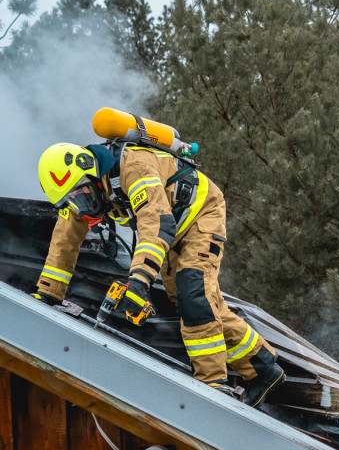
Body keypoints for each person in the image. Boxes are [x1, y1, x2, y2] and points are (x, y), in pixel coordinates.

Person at [34, 140, 284, 407]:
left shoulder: (134, 167)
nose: (81, 205)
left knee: (194, 293)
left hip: (200, 215)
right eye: (72, 200)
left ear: (90, 170)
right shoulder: (78, 192)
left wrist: (139, 281)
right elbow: (64, 245)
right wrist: (47, 294)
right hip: (171, 230)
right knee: (199, 302)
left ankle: (212, 384)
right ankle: (265, 368)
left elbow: (156, 225)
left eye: (82, 194)